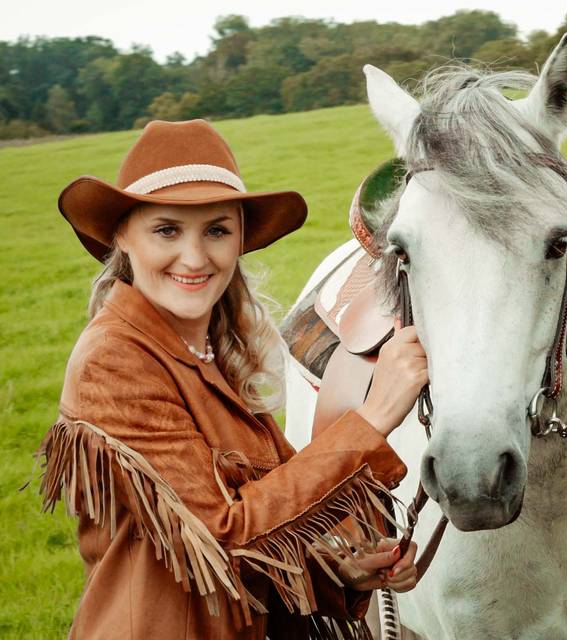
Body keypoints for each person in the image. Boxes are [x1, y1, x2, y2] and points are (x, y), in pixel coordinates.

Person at [37, 119, 428, 639]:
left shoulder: (206, 354)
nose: (195, 258)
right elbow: (224, 538)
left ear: (240, 239)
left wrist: (349, 572)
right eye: (167, 230)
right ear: (122, 237)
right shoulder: (115, 359)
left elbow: (270, 538)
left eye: (217, 230)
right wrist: (373, 417)